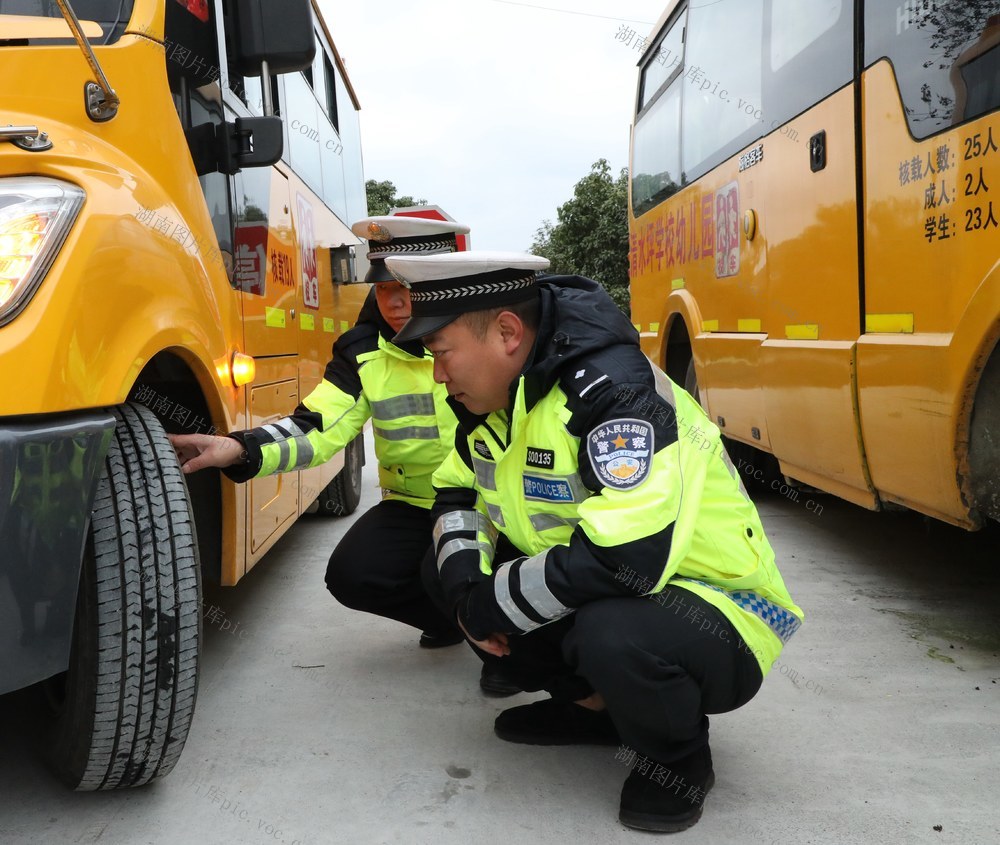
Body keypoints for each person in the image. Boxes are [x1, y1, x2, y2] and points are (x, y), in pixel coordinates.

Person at [384, 250, 804, 832]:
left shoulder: (614, 395)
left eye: (440, 352)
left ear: (507, 332)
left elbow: (629, 556)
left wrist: (489, 603)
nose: (437, 374)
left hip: (721, 607)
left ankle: (678, 760)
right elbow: (456, 493)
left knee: (611, 631)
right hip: (613, 588)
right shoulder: (497, 401)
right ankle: (595, 712)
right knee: (447, 574)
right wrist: (463, 592)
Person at [168, 217, 520, 696]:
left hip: (497, 508)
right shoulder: (362, 351)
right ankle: (457, 619)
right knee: (354, 574)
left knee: (468, 569)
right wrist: (240, 447)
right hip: (417, 507)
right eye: (382, 287)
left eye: (406, 286)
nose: (393, 301)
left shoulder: (491, 338)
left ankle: (509, 648)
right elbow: (319, 427)